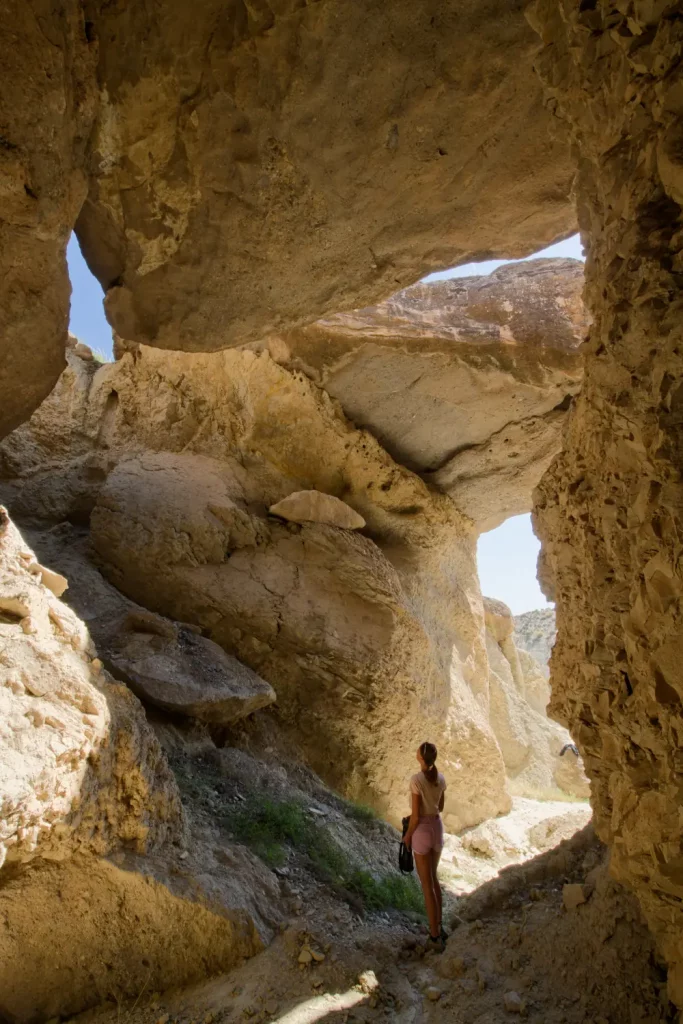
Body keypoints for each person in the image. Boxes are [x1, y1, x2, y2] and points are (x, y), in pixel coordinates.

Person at [404, 741, 447, 949]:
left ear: (421, 758)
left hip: (421, 831)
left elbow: (415, 816)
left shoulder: (416, 780)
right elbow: (440, 806)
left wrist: (407, 837)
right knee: (434, 879)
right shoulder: (441, 778)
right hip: (437, 828)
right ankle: (440, 926)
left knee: (426, 885)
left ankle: (434, 936)